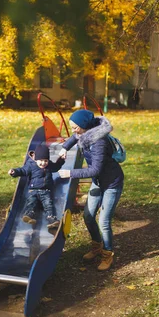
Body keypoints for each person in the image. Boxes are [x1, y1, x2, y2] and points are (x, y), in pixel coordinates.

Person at [58, 109, 124, 271]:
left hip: (111, 184)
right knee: (88, 216)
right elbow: (75, 137)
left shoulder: (99, 142)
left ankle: (107, 255)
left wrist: (70, 173)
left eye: (75, 127)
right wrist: (64, 148)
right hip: (98, 182)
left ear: (85, 126)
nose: (73, 130)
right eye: (71, 127)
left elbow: (94, 170)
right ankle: (97, 246)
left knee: (104, 221)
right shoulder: (84, 132)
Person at [8, 144, 65, 229]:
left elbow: (56, 167)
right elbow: (23, 170)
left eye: (45, 160)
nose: (43, 163)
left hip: (46, 191)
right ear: (36, 159)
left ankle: (51, 219)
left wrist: (61, 160)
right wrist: (14, 172)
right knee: (31, 202)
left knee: (48, 204)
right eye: (41, 160)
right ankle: (28, 215)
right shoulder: (31, 165)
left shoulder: (49, 165)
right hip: (33, 190)